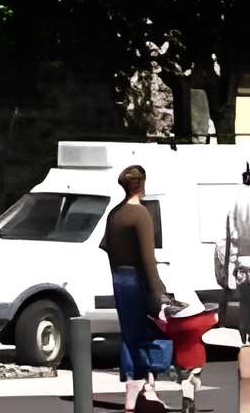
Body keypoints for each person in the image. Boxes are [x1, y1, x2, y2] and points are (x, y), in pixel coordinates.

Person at [106, 165, 170, 412]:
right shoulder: (141, 214)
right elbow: (148, 258)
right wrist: (159, 292)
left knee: (130, 333)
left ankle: (137, 388)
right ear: (141, 184)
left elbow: (108, 249)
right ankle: (145, 387)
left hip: (119, 278)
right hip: (137, 279)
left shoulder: (115, 214)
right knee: (152, 333)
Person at [218, 160, 250, 413]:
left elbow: (228, 240)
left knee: (246, 326)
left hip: (243, 269)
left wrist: (229, 274)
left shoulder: (236, 201)